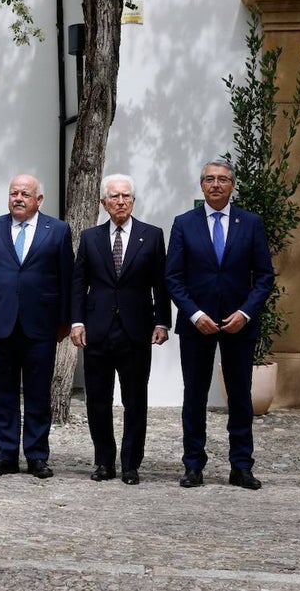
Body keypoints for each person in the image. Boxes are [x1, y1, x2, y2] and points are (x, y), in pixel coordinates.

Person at [165, 159, 273, 490]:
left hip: (239, 324)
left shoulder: (250, 223)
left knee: (240, 396)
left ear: (232, 185)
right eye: (209, 179)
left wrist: (246, 313)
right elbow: (173, 277)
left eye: (223, 179)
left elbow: (264, 276)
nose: (216, 184)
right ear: (201, 185)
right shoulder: (184, 224)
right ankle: (193, 465)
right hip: (197, 324)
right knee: (194, 395)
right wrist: (195, 314)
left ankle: (241, 466)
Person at [70, 174, 170, 485]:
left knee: (135, 400)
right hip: (97, 331)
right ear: (104, 203)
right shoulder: (90, 237)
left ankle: (130, 464)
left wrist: (162, 321)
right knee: (97, 400)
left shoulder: (151, 236)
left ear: (134, 201)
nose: (121, 202)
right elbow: (78, 283)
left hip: (136, 330)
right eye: (114, 197)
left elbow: (161, 284)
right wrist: (77, 322)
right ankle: (104, 462)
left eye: (126, 196)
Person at [0, 174, 72, 479]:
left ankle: (37, 455)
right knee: (2, 394)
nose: (18, 198)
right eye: (14, 193)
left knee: (38, 394)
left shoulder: (58, 230)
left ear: (38, 200)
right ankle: (5, 454)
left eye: (25, 194)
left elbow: (66, 278)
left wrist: (65, 321)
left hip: (41, 325)